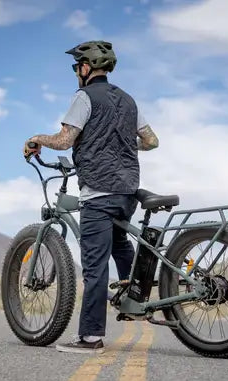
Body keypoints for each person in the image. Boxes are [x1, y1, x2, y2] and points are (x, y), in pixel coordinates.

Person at [23, 41, 159, 354]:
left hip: (98, 189)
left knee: (95, 266)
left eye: (76, 67)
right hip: (127, 190)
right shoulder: (128, 100)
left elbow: (64, 140)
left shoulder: (84, 97)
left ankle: (90, 337)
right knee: (122, 245)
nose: (75, 73)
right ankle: (134, 301)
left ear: (86, 67)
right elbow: (151, 141)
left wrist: (34, 138)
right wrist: (120, 143)